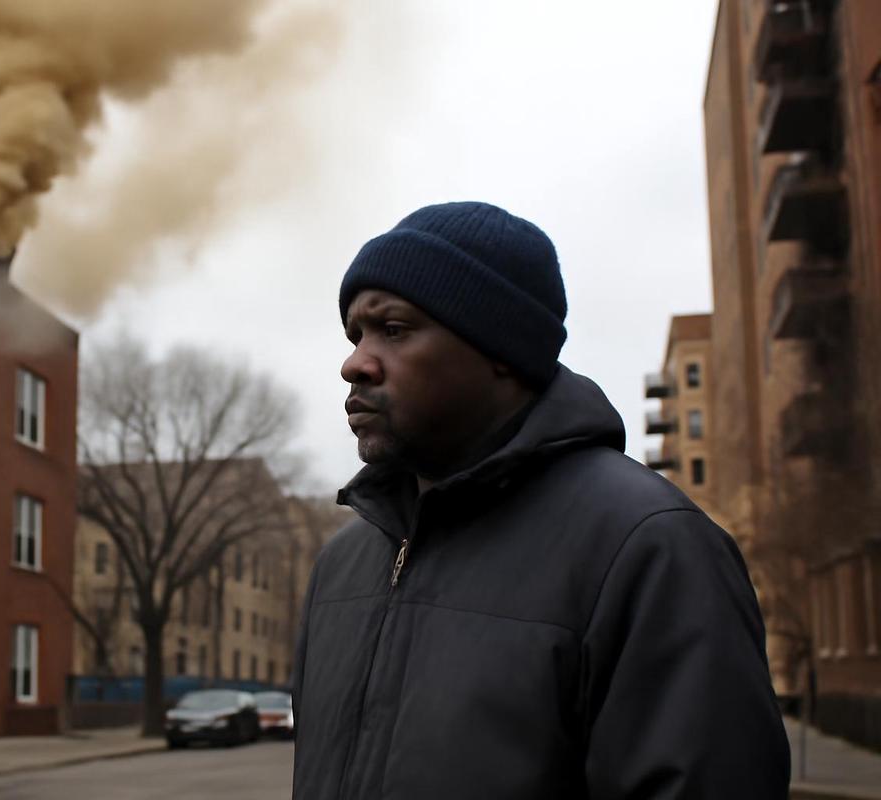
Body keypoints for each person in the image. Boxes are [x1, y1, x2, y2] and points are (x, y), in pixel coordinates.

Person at [291, 202, 790, 798]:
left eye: (393, 330)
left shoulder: (649, 546)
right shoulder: (342, 565)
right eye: (355, 334)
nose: (354, 363)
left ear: (502, 349)